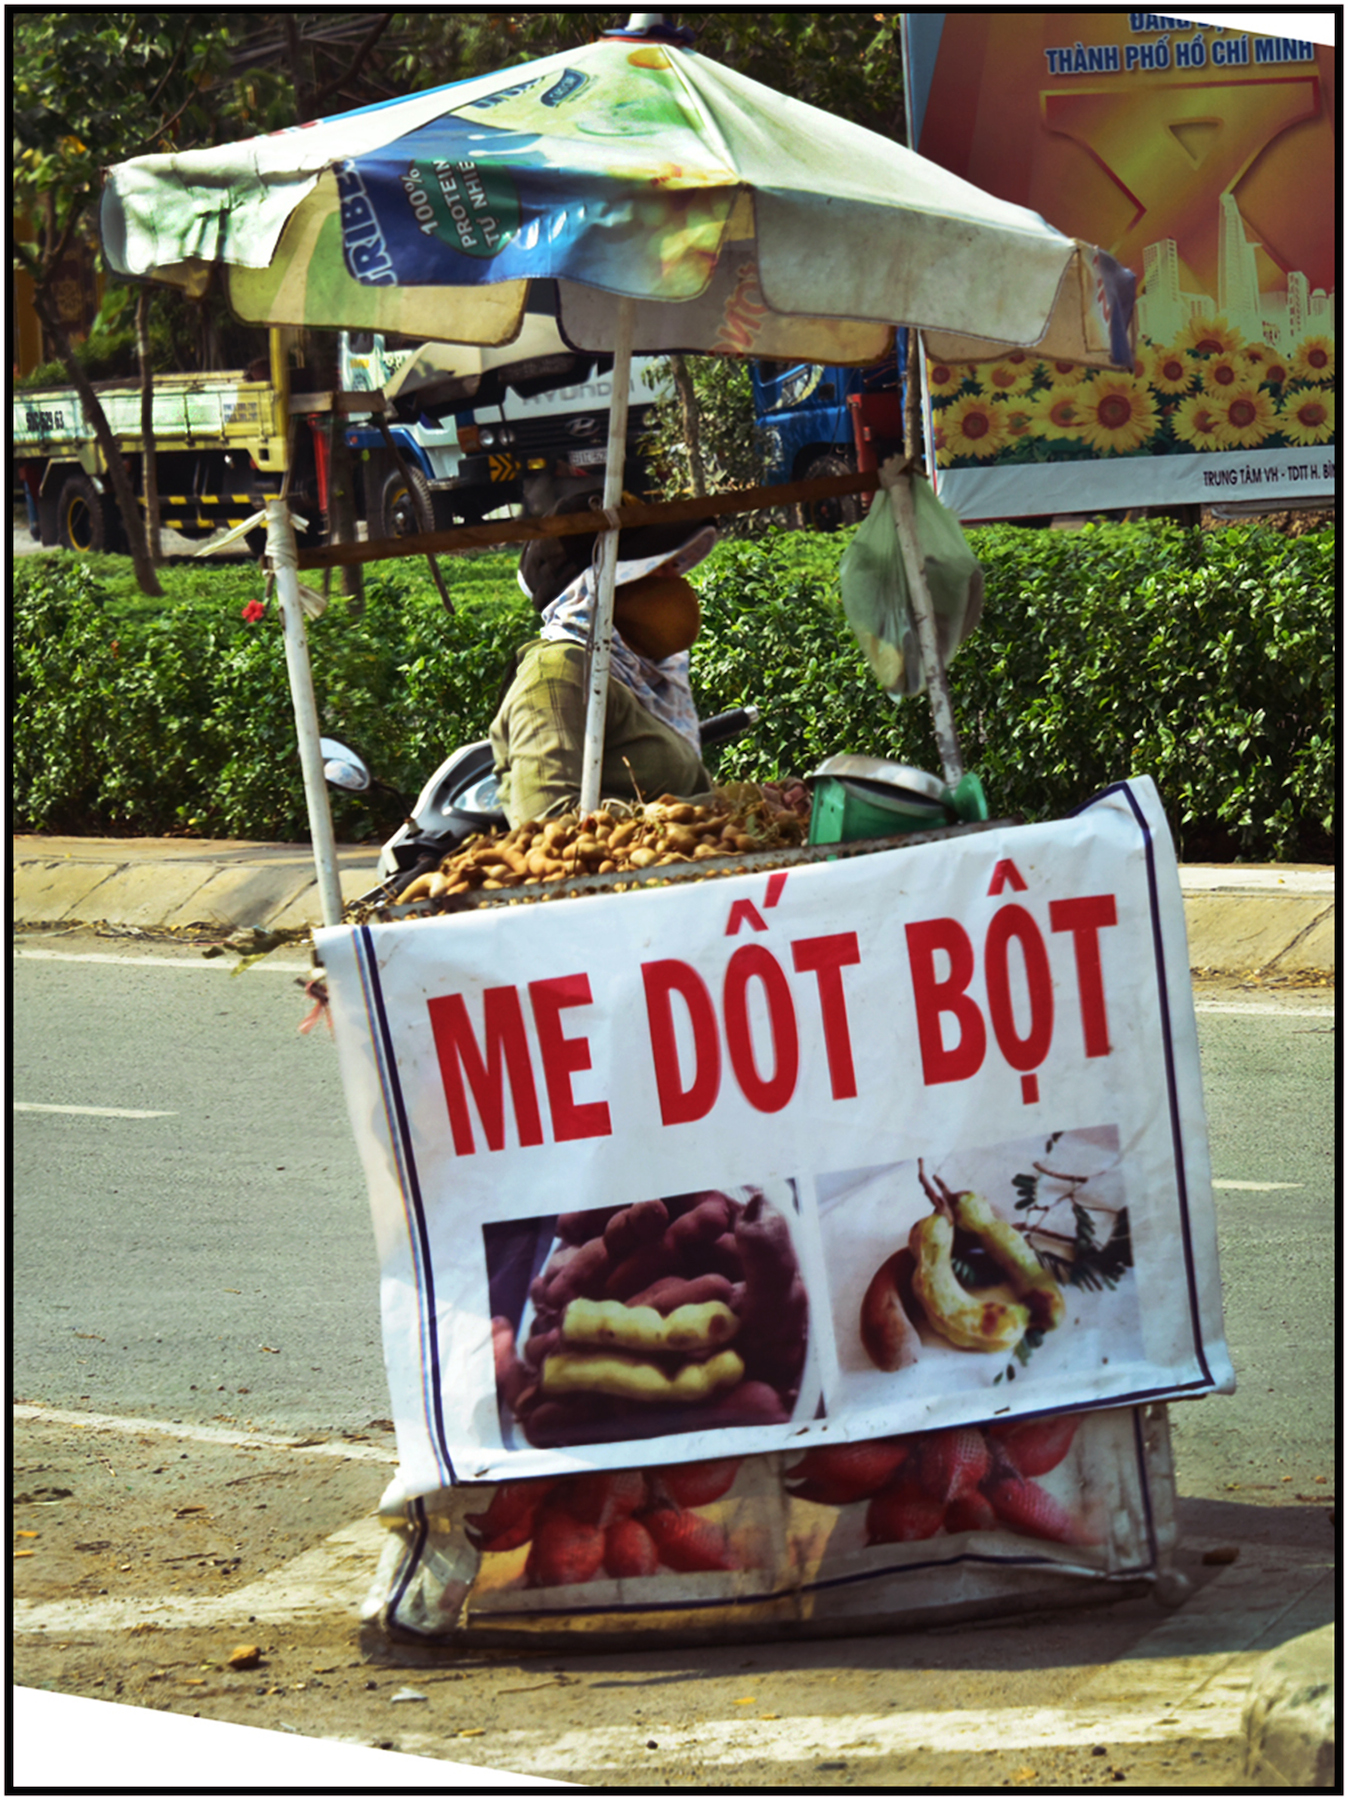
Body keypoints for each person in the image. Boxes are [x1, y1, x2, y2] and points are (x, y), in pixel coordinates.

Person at [489, 493, 719, 826]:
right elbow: (545, 822)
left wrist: (739, 801)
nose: (674, 573)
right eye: (653, 563)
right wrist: (696, 813)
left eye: (672, 560)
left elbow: (672, 797)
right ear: (596, 586)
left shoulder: (644, 680)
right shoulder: (557, 674)